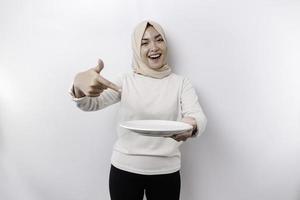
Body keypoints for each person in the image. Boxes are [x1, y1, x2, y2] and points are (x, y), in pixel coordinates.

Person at [69, 20, 207, 200]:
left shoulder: (181, 83)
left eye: (159, 40)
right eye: (145, 42)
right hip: (124, 170)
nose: (154, 47)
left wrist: (192, 125)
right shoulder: (125, 80)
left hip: (166, 172)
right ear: (136, 47)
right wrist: (79, 85)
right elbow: (91, 104)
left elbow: (197, 116)